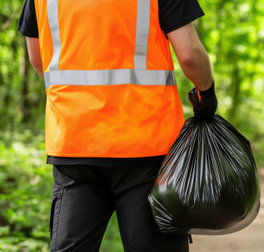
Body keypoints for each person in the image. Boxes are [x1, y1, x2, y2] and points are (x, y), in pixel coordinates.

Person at [18, 0, 218, 251]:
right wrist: (206, 92)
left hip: (74, 142)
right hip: (146, 145)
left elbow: (38, 60)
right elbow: (189, 55)